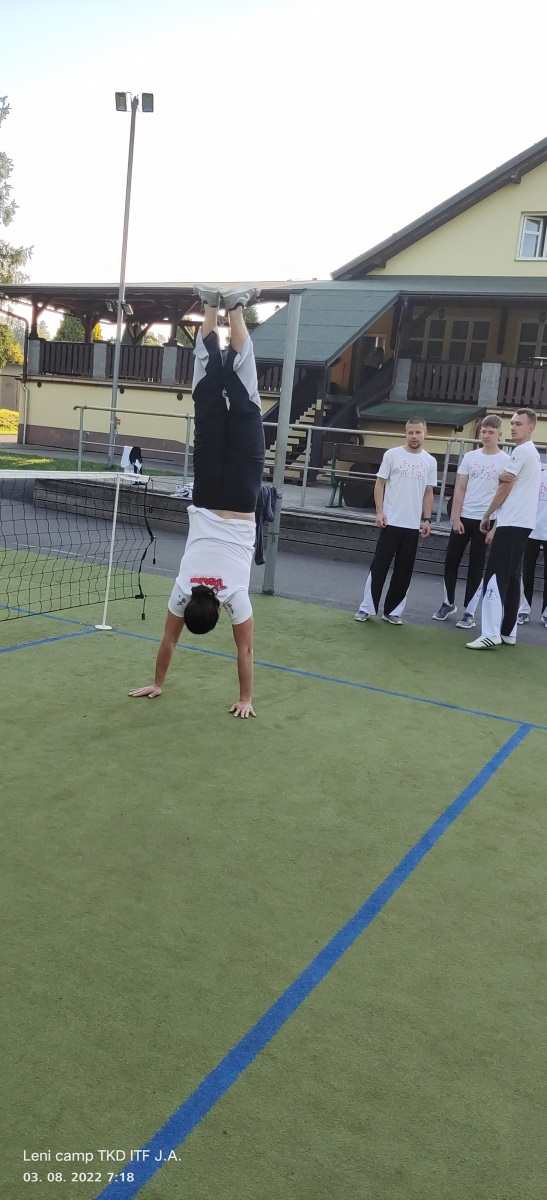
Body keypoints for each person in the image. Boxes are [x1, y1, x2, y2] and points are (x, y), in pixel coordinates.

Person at [129, 284, 263, 716]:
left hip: (241, 498)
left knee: (245, 403)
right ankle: (209, 306)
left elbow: (244, 651)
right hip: (206, 495)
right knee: (207, 406)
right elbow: (168, 639)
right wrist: (156, 680)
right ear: (190, 606)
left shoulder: (235, 597)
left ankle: (236, 308)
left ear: (219, 613)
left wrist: (246, 699)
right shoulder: (182, 589)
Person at [466, 408, 541, 649]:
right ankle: (508, 631)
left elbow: (504, 487)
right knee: (511, 576)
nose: (513, 427)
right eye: (513, 423)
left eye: (519, 424)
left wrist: (487, 514)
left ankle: (490, 633)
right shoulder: (531, 452)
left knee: (495, 576)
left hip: (513, 524)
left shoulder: (521, 451)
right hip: (520, 523)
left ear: (531, 428)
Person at [354, 417, 437, 624]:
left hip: (412, 525)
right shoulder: (392, 455)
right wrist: (379, 512)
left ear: (425, 433)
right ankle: (367, 608)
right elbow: (380, 483)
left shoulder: (430, 461)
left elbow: (428, 492)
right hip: (390, 521)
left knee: (404, 570)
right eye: (410, 432)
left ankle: (393, 611)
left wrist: (427, 519)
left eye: (418, 432)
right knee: (379, 566)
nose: (414, 436)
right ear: (405, 433)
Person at [432, 415, 511, 630]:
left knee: (476, 566)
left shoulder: (506, 461)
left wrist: (495, 527)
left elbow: (506, 496)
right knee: (451, 560)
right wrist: (456, 517)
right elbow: (460, 488)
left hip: (486, 521)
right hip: (464, 518)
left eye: (491, 432)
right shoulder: (470, 457)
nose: (486, 435)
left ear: (499, 434)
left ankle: (469, 612)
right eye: (483, 431)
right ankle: (448, 603)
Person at [517, 461, 547, 627]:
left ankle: (546, 613)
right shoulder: (538, 476)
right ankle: (524, 609)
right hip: (532, 530)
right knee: (528, 571)